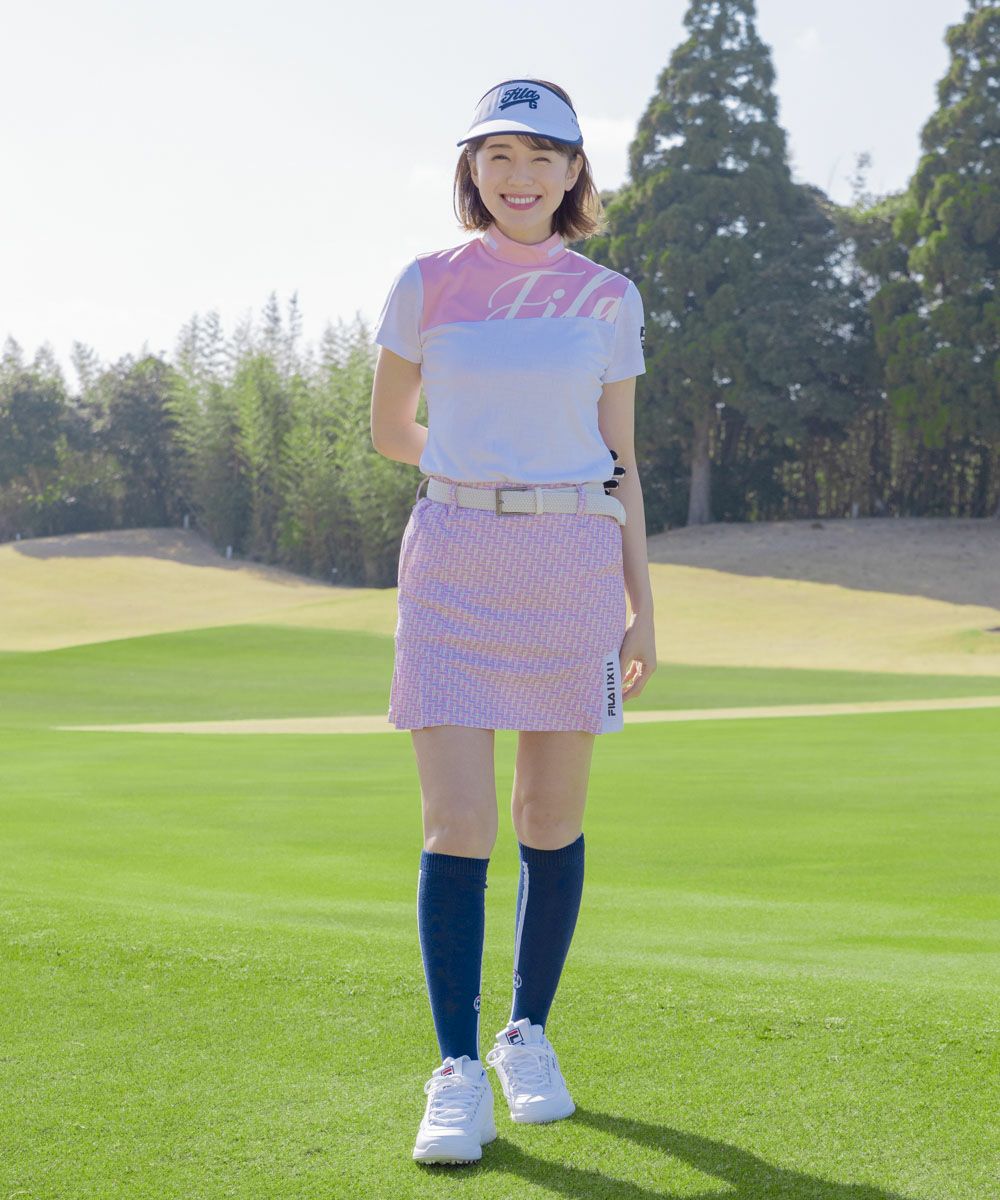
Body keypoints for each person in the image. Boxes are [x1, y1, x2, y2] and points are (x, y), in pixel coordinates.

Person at [370, 77, 657, 1166]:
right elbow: (391, 428)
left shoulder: (609, 297)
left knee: (548, 814)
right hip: (452, 555)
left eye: (542, 157)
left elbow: (620, 461)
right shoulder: (426, 282)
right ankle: (455, 1070)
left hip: (573, 560)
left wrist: (642, 607)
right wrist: (477, 462)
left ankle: (524, 1034)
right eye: (499, 156)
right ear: (472, 169)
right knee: (458, 824)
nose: (519, 176)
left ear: (574, 171)